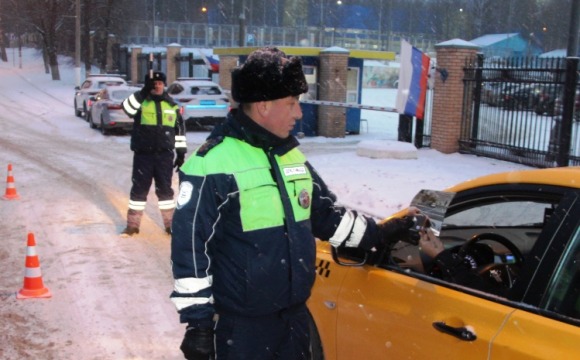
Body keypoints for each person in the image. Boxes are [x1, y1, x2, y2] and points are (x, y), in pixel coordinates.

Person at [170, 47, 419, 360]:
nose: (299, 113)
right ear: (262, 106)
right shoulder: (210, 164)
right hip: (241, 331)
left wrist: (380, 233)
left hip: (295, 321)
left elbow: (327, 217)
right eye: (291, 103)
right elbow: (190, 250)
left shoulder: (292, 158)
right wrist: (198, 324)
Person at [120, 71, 187, 237]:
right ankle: (132, 225)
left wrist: (180, 154)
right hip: (143, 155)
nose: (157, 86)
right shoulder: (141, 102)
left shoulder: (172, 106)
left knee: (165, 191)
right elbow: (126, 108)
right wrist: (143, 92)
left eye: (159, 83)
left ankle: (171, 225)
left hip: (164, 155)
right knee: (139, 190)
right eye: (153, 83)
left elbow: (179, 132)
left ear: (164, 85)